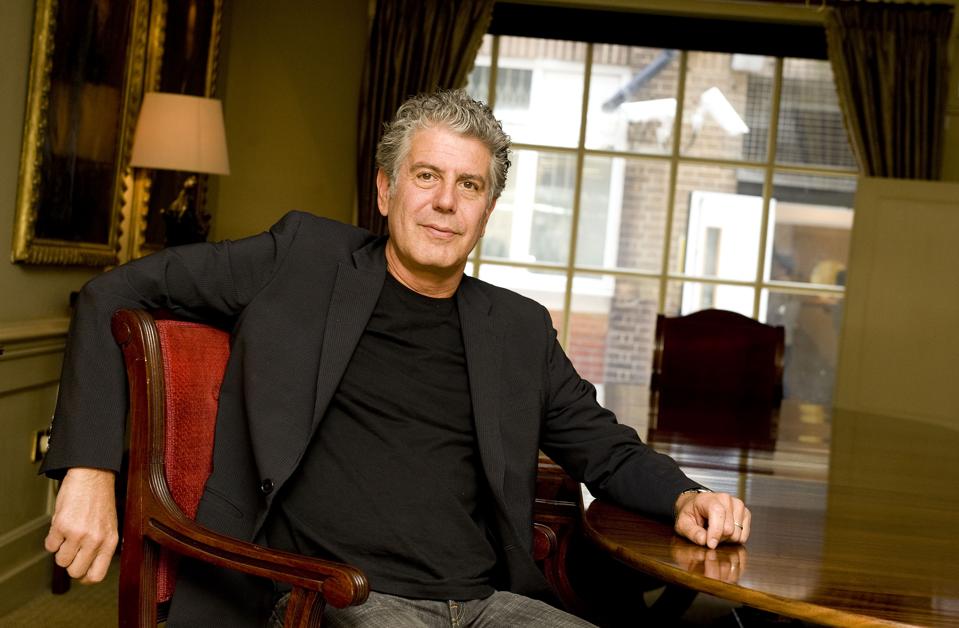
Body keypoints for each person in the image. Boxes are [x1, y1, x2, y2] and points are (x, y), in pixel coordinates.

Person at [40, 89, 751, 627]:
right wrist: (91, 470)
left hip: (488, 605)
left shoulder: (518, 328)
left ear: (486, 211)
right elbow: (111, 293)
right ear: (385, 191)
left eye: (469, 185)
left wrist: (687, 496)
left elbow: (605, 449)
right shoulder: (300, 260)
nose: (445, 202)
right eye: (426, 176)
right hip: (341, 598)